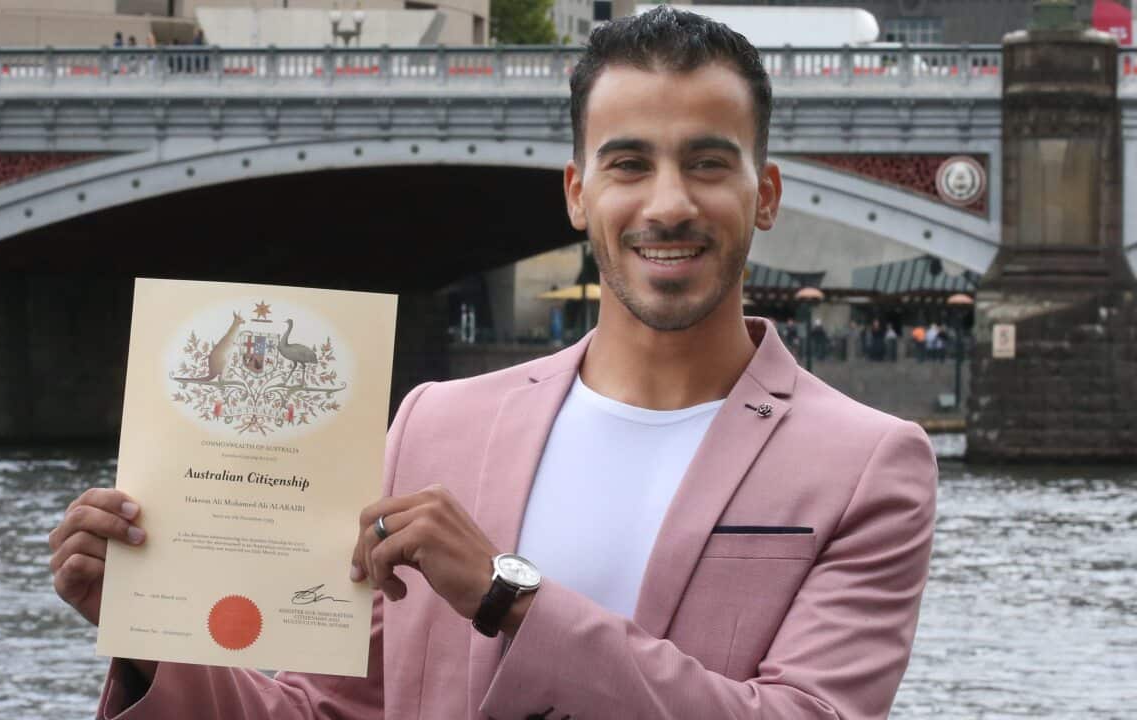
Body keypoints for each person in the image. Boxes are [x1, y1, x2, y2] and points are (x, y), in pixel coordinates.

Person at [49, 8, 936, 719]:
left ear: (765, 194)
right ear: (578, 193)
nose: (669, 203)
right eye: (629, 164)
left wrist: (510, 598)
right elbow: (329, 710)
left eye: (708, 164)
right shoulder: (433, 424)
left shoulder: (867, 466)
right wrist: (146, 640)